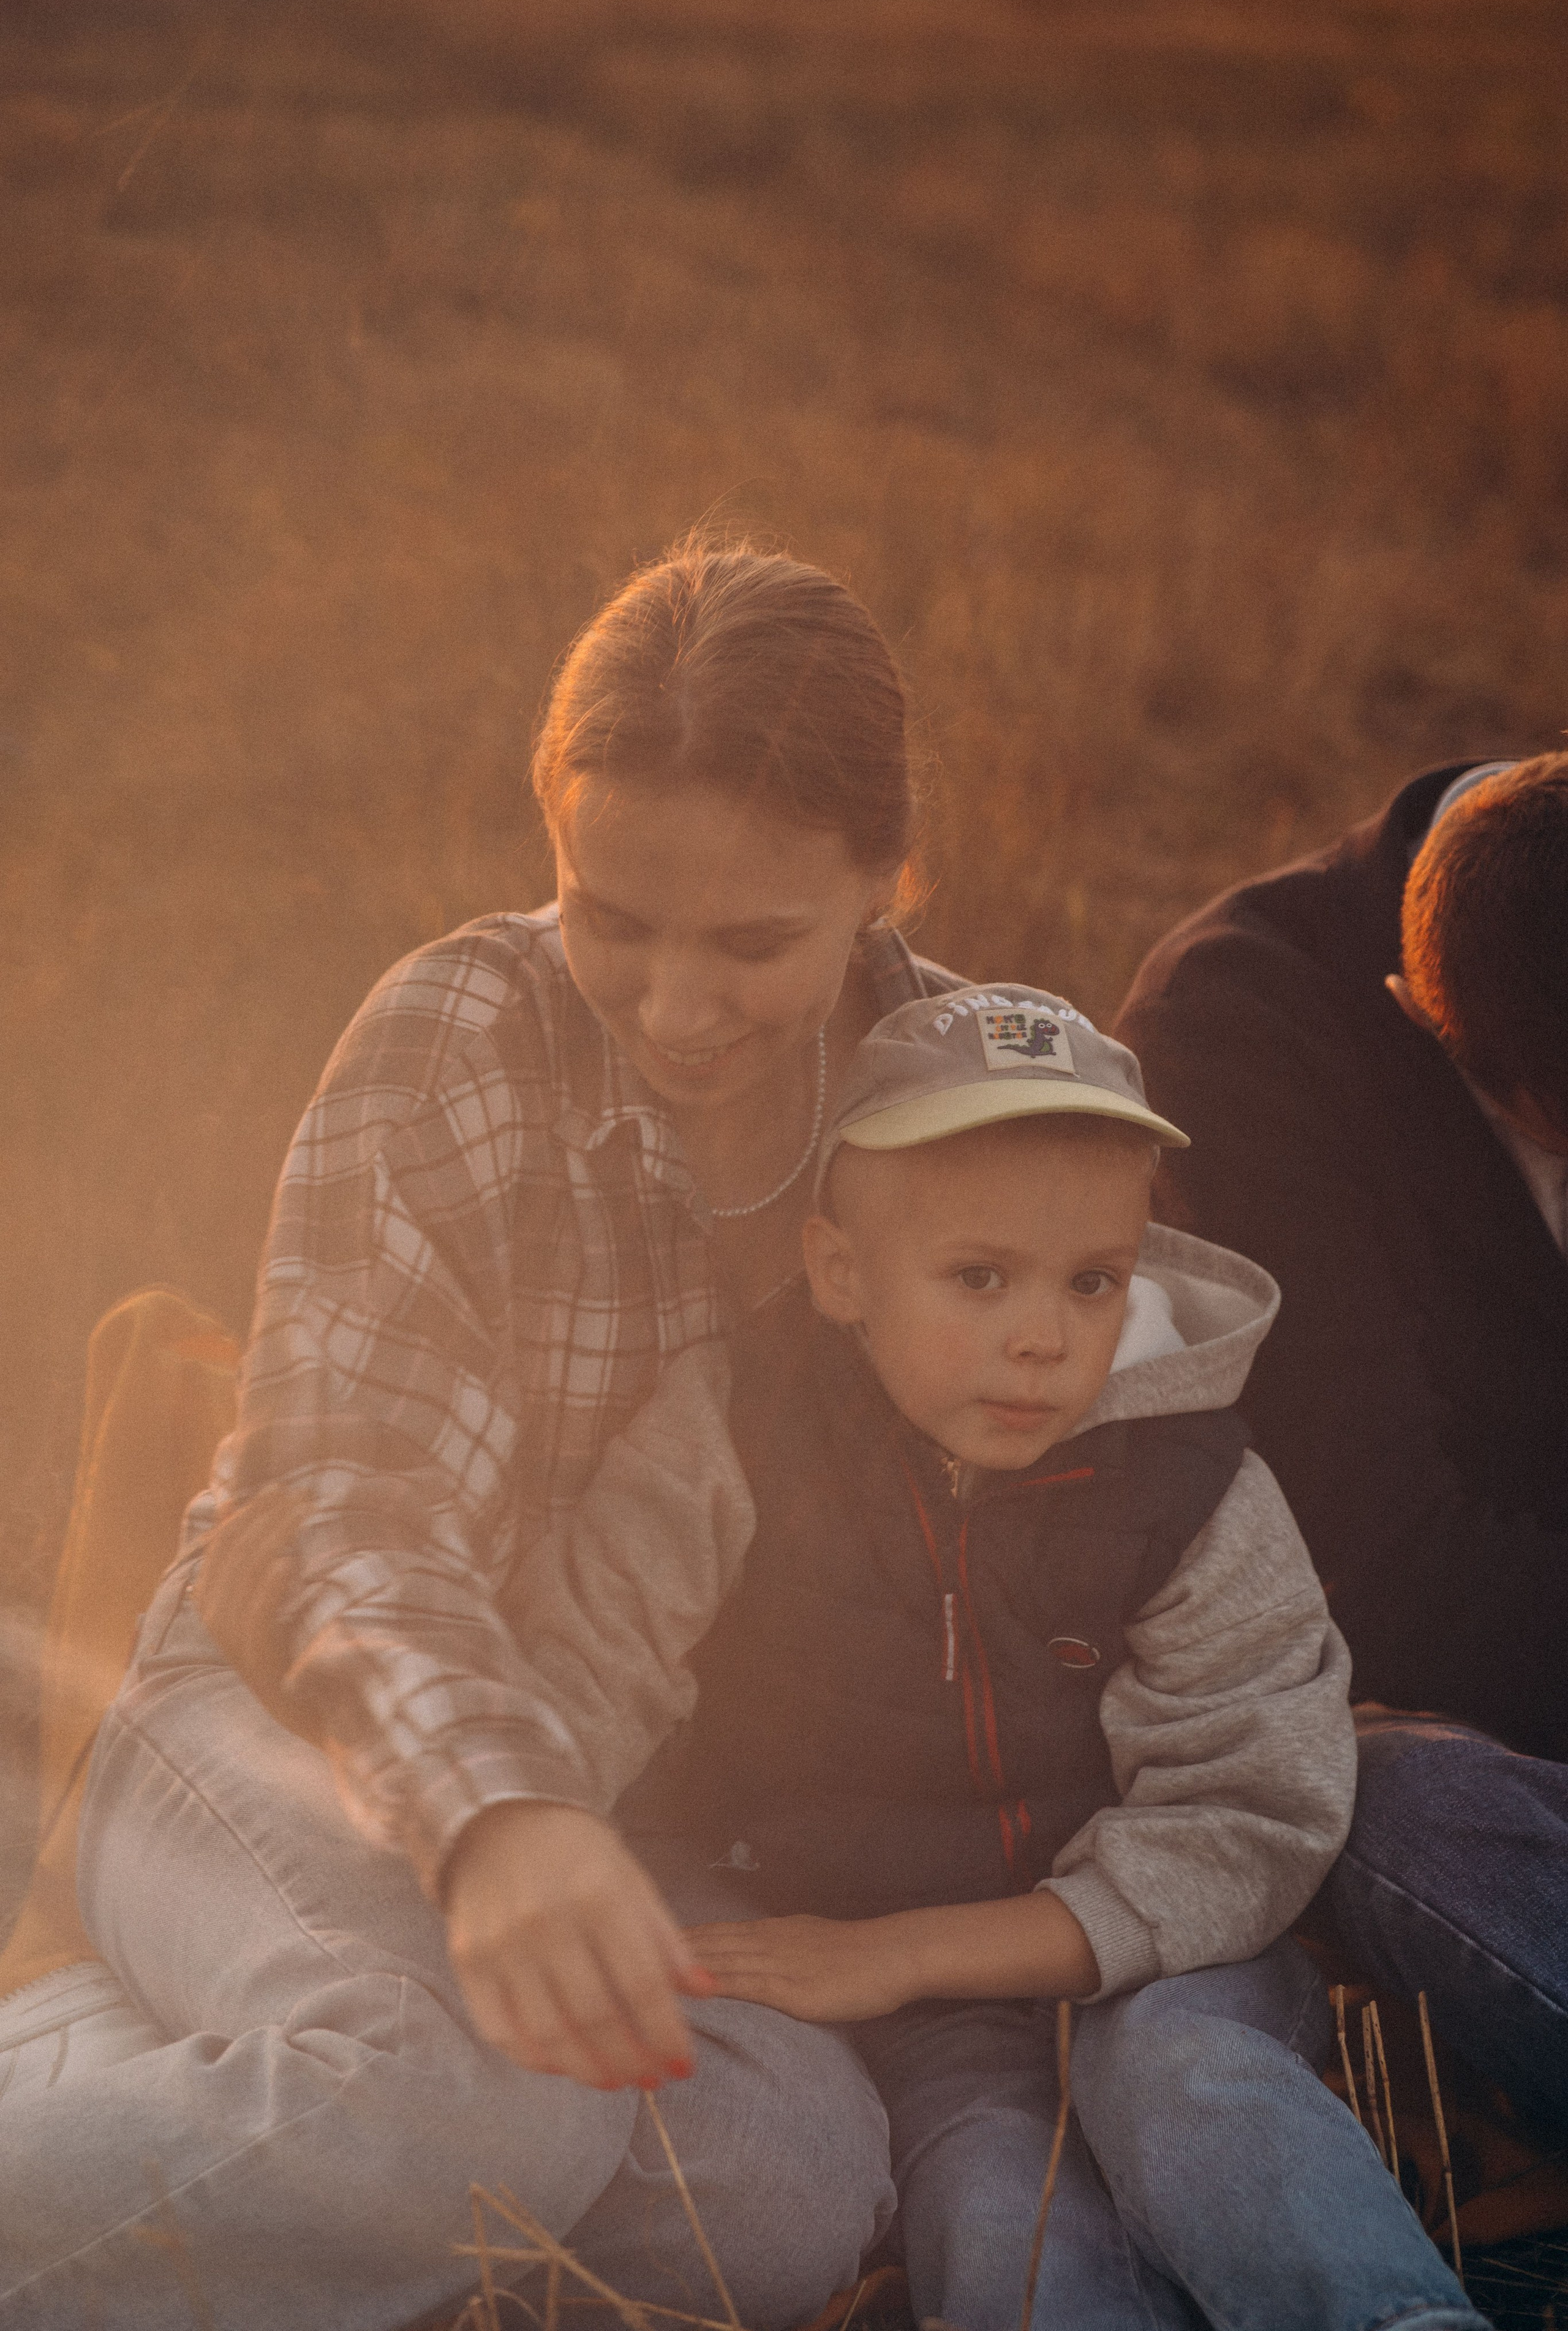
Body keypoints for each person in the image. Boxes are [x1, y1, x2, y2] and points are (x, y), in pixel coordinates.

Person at [0, 544, 959, 2329]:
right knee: (470, 2104)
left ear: (888, 880)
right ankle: (282, 2083)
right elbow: (348, 1508)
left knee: (783, 2198)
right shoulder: (458, 1035)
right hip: (281, 1730)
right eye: (614, 917)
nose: (675, 1006)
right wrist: (499, 1813)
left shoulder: (951, 1093)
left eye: (754, 943)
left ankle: (110, 2077)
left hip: (652, 1830)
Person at [445, 985, 1486, 2331]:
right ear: (838, 1273)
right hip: (907, 1996)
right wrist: (504, 1847)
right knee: (1001, 2202)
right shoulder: (738, 1435)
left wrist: (905, 1953)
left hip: (1157, 1959)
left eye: (1091, 1281)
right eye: (978, 1278)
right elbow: (586, 1670)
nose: (1042, 1337)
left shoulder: (1186, 1477)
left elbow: (1246, 1805)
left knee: (1185, 2093)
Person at [1114, 754, 1568, 2135]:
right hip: (1473, 1711)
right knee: (1389, 1810)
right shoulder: (1239, 1036)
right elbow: (1385, 1558)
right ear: (1422, 1026)